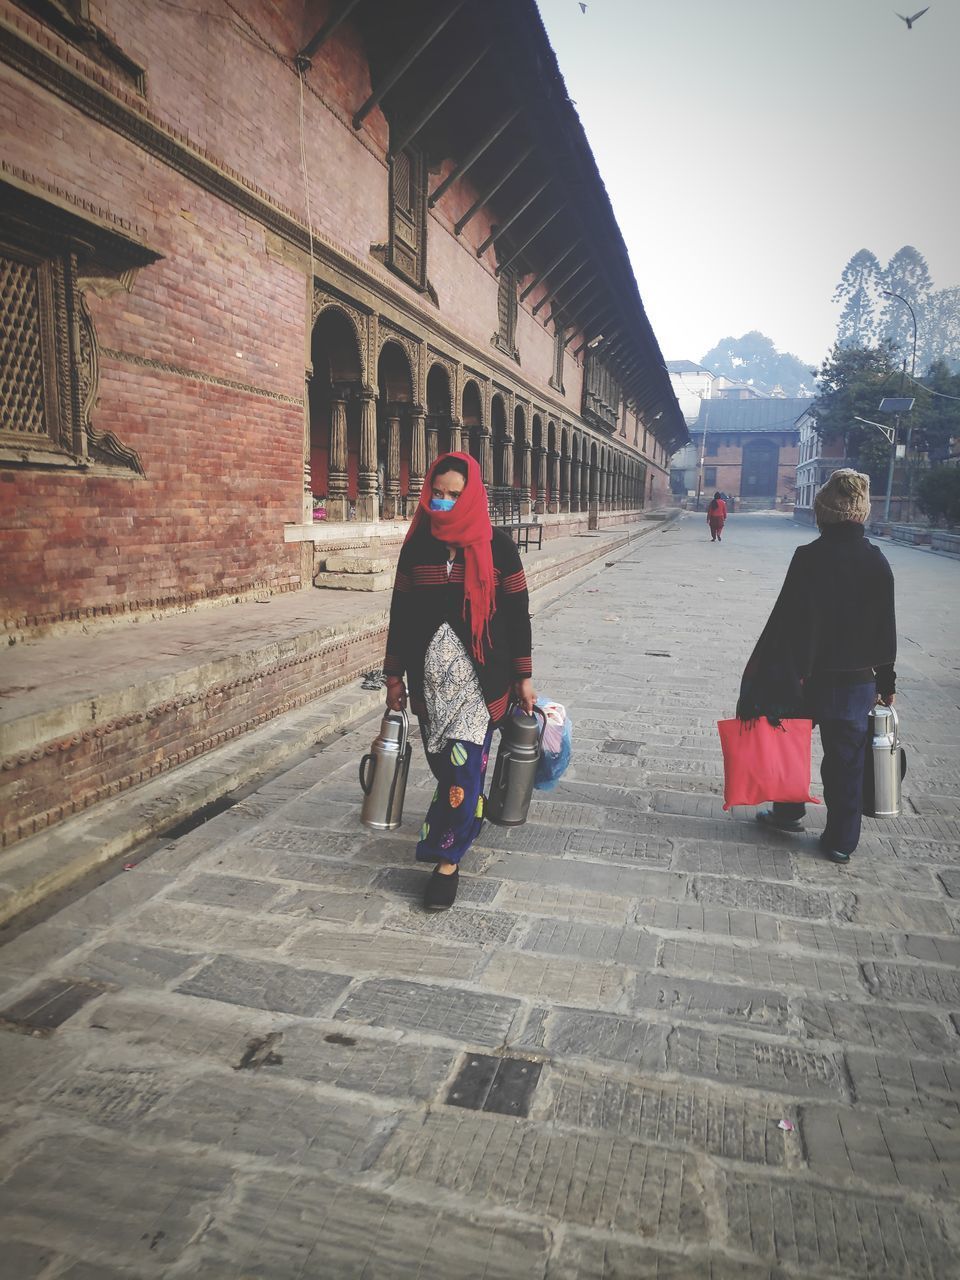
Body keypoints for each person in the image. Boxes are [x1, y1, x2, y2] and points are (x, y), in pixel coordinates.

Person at [383, 453, 536, 909]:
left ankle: (445, 863)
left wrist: (524, 677)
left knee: (463, 769)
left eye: (454, 495)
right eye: (438, 493)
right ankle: (470, 811)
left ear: (471, 497)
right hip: (430, 688)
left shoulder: (500, 548)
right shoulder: (418, 548)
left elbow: (518, 616)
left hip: (480, 684)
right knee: (447, 768)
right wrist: (394, 676)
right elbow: (401, 616)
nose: (444, 502)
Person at [736, 469, 896, 864]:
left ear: (822, 513)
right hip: (856, 682)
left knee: (791, 744)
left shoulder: (808, 557)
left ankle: (788, 813)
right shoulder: (878, 562)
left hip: (805, 678)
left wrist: (774, 672)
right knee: (846, 762)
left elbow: (787, 620)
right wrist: (886, 679)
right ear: (862, 513)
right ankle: (841, 840)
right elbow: (886, 628)